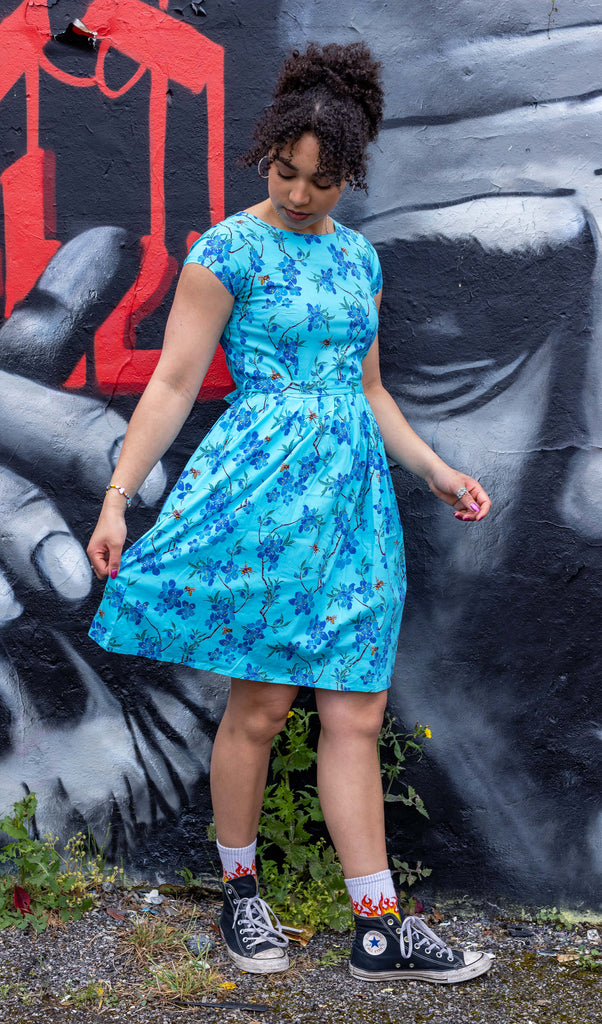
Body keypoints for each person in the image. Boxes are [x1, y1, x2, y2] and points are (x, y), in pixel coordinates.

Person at [87, 42, 492, 984]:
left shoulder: (362, 261)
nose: (301, 193)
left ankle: (380, 926)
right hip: (265, 503)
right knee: (263, 709)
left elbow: (371, 390)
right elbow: (175, 382)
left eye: (323, 179)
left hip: (354, 507)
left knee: (356, 712)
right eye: (285, 171)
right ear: (267, 154)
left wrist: (433, 469)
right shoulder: (225, 250)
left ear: (351, 174)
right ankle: (241, 897)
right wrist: (117, 501)